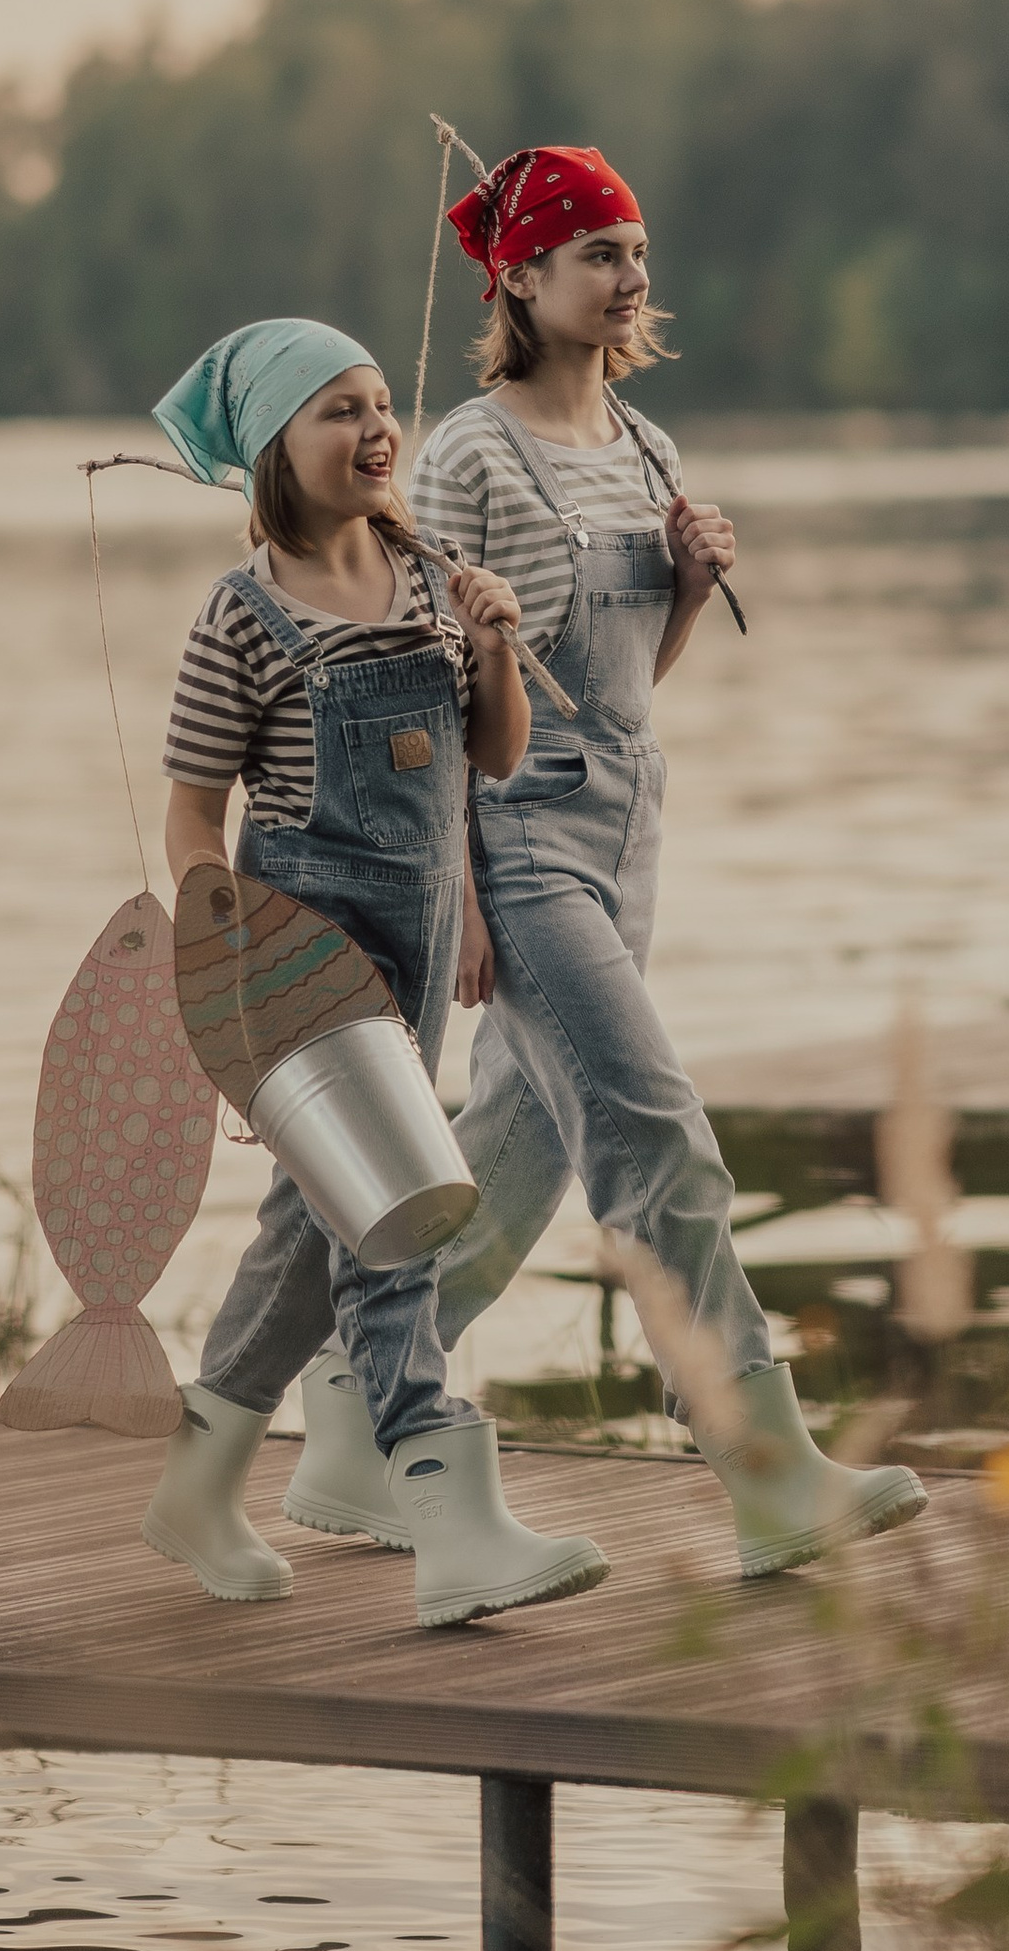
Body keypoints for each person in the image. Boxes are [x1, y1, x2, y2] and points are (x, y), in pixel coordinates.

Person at [281, 150, 928, 1579]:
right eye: (599, 254)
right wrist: (448, 882)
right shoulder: (463, 454)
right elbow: (419, 681)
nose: (630, 277)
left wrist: (689, 585)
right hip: (512, 830)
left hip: (629, 820)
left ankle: (347, 1404)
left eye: (637, 250)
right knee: (652, 1131)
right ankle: (766, 1470)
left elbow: (634, 680)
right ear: (519, 277)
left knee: (517, 1160)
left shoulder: (648, 445)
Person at [141, 316, 610, 1630]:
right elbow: (190, 816)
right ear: (277, 451)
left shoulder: (425, 575)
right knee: (402, 1205)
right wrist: (224, 935)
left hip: (416, 930)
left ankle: (200, 1477)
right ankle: (448, 1501)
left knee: (321, 1221)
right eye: (334, 410)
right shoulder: (240, 619)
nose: (371, 428)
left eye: (373, 402)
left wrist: (500, 643)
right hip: (303, 952)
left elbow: (497, 755)